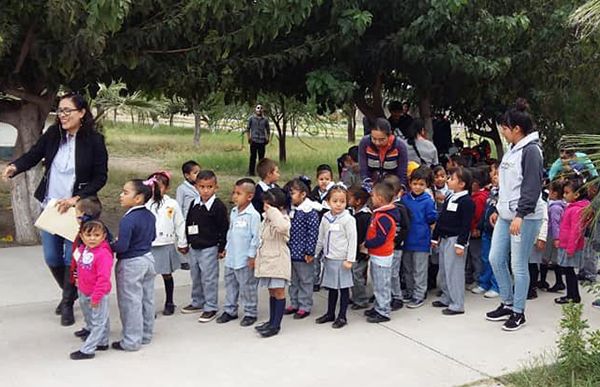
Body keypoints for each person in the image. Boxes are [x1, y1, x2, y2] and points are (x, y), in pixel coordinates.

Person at [2, 92, 108, 326]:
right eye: (60, 110)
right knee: (52, 257)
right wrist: (14, 166)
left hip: (76, 209)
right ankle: (68, 293)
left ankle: (68, 303)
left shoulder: (94, 141)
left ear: (82, 113)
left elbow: (100, 177)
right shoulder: (53, 135)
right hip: (51, 205)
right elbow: (33, 155)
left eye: (67, 110)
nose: (62, 115)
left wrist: (76, 198)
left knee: (71, 258)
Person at [485, 99, 545, 332]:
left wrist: (520, 215)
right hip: (506, 214)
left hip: (526, 216)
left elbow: (531, 187)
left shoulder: (531, 151)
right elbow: (509, 186)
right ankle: (507, 302)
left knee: (518, 265)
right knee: (495, 258)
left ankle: (518, 312)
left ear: (517, 129)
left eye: (505, 128)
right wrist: (499, 211)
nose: (503, 131)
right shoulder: (513, 149)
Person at [111, 179, 157, 351]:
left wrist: (109, 246)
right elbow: (152, 237)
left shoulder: (128, 220)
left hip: (131, 263)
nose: (121, 195)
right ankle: (145, 334)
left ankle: (131, 340)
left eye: (125, 192)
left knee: (130, 302)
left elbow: (122, 246)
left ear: (138, 198)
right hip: (148, 258)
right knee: (147, 298)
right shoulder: (150, 215)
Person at [182, 170, 229, 323]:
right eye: (202, 187)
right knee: (195, 276)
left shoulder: (218, 206)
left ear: (216, 187)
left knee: (209, 278)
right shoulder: (194, 203)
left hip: (210, 247)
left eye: (209, 187)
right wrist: (186, 242)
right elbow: (189, 223)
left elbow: (224, 227)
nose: (206, 190)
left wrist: (221, 247)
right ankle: (197, 302)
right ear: (196, 187)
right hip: (194, 247)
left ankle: (211, 306)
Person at [431, 167, 475, 315]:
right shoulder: (450, 197)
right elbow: (442, 218)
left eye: (451, 178)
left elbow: (466, 225)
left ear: (462, 184)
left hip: (455, 240)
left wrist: (461, 244)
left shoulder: (467, 201)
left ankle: (457, 303)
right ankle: (446, 296)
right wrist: (435, 236)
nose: (448, 180)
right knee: (444, 269)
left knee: (454, 271)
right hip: (444, 238)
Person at [217, 178, 261, 326]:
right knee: (230, 284)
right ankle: (230, 310)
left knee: (247, 286)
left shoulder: (253, 216)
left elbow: (256, 238)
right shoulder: (234, 212)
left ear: (249, 196)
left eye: (239, 193)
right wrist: (226, 249)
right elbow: (231, 232)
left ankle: (250, 312)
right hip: (232, 257)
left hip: (244, 258)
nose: (235, 196)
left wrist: (252, 256)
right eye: (234, 193)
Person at [145, 171, 188, 316]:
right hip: (148, 245)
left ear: (167, 188)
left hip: (165, 243)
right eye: (153, 187)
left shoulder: (172, 204)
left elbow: (180, 223)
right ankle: (148, 305)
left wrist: (182, 241)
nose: (156, 190)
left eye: (160, 187)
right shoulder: (144, 202)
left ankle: (169, 301)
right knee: (148, 277)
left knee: (166, 274)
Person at [314, 185, 357, 329]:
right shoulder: (326, 218)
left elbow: (352, 240)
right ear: (327, 202)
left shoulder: (348, 219)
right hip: (329, 259)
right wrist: (315, 253)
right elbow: (321, 237)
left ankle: (342, 316)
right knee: (331, 288)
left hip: (342, 260)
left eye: (342, 201)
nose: (338, 204)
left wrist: (350, 259)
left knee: (343, 289)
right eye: (335, 201)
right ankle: (330, 313)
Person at [69, 220, 113, 360]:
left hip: (97, 293)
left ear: (103, 236)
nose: (92, 238)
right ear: (81, 236)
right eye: (88, 235)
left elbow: (103, 278)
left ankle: (88, 349)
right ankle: (102, 341)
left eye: (96, 235)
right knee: (94, 318)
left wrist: (97, 296)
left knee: (99, 321)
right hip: (83, 290)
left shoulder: (103, 254)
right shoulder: (82, 250)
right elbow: (77, 266)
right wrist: (77, 280)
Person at [254, 188, 292, 338]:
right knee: (271, 291)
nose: (266, 208)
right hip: (267, 261)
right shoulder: (266, 219)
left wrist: (274, 211)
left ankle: (276, 325)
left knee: (279, 291)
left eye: (269, 205)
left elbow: (282, 227)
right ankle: (271, 321)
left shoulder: (282, 218)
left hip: (278, 261)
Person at [401, 166, 437, 309]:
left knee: (419, 270)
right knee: (408, 268)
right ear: (410, 183)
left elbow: (432, 218)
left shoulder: (428, 201)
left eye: (421, 184)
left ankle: (419, 295)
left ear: (426, 185)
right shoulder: (405, 199)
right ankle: (410, 291)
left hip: (422, 240)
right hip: (407, 240)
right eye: (415, 183)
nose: (417, 187)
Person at [364, 182, 400, 323]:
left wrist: (367, 244)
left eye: (372, 196)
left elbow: (381, 238)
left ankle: (384, 311)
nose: (371, 198)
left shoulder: (384, 217)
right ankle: (378, 306)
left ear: (379, 198)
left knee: (382, 285)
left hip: (382, 256)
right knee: (377, 283)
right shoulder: (379, 214)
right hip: (376, 255)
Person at [285, 178, 320, 319]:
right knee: (293, 280)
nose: (290, 196)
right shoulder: (292, 210)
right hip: (291, 251)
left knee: (305, 280)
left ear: (303, 194)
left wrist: (310, 251)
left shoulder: (309, 211)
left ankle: (305, 305)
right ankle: (294, 303)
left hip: (304, 253)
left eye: (293, 193)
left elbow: (313, 232)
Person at [554, 178, 590, 304]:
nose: (564, 195)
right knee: (568, 271)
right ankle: (572, 295)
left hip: (570, 246)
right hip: (567, 244)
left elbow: (576, 230)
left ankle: (572, 295)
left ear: (576, 194)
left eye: (566, 192)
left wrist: (570, 248)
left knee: (569, 272)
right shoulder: (574, 207)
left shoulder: (576, 210)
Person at [358, 117, 409, 188]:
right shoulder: (365, 143)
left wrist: (399, 189)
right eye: (374, 139)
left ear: (390, 135)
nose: (377, 143)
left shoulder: (400, 146)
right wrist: (369, 187)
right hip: (371, 185)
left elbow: (402, 174)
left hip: (392, 187)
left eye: (382, 139)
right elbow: (363, 170)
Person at [474, 165, 500, 298]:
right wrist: (479, 226)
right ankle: (484, 283)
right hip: (486, 230)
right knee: (485, 258)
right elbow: (485, 211)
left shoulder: (506, 193)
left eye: (498, 174)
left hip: (498, 231)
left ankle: (496, 285)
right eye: (493, 173)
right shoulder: (492, 192)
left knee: (497, 259)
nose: (494, 177)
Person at [347, 184, 372, 310]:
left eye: (349, 198)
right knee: (353, 275)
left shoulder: (365, 216)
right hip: (353, 251)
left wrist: (364, 250)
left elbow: (365, 234)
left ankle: (361, 300)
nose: (347, 200)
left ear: (358, 201)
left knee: (358, 275)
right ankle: (356, 296)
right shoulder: (352, 214)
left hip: (361, 251)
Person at [467, 166, 490, 292]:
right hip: (473, 230)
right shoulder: (478, 196)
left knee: (477, 256)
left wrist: (476, 228)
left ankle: (479, 280)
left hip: (476, 231)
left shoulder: (480, 198)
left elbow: (478, 215)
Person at [543, 180, 567, 293]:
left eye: (550, 191)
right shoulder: (561, 205)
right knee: (552, 260)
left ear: (555, 193)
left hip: (551, 236)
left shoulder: (554, 208)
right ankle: (557, 281)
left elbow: (555, 224)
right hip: (554, 235)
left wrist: (556, 238)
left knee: (545, 259)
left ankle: (554, 281)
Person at [527, 201, 548, 300]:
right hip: (524, 237)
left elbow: (545, 221)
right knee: (525, 264)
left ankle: (532, 289)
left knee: (533, 264)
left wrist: (542, 237)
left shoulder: (541, 204)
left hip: (535, 238)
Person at [247, 104, 270, 176]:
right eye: (258, 108)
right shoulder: (251, 118)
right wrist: (249, 137)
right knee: (253, 157)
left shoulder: (265, 120)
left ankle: (261, 173)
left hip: (262, 141)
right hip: (254, 140)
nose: (259, 110)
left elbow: (268, 129)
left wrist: (267, 138)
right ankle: (251, 172)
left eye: (261, 108)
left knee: (261, 158)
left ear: (263, 110)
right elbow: (248, 128)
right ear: (255, 109)